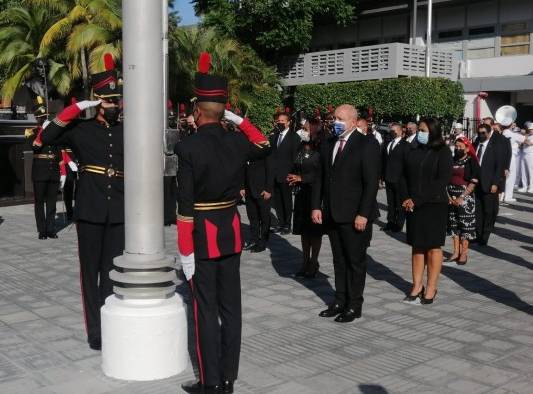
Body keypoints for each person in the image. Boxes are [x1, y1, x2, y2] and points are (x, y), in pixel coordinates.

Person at [176, 52, 271, 394]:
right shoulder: (236, 141)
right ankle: (229, 378)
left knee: (204, 312)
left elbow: (185, 207)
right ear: (222, 110)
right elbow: (264, 143)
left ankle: (210, 381)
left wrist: (185, 251)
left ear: (197, 111)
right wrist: (236, 118)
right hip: (230, 233)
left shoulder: (188, 147)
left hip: (202, 236)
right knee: (232, 309)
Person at [41, 54, 124, 351]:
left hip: (118, 212)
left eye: (116, 102)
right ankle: (96, 331)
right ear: (96, 102)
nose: (113, 107)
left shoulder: (127, 132)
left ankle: (112, 324)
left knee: (113, 273)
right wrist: (76, 109)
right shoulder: (81, 130)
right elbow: (44, 138)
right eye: (107, 102)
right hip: (89, 210)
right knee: (91, 273)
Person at [312, 104, 380, 322]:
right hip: (332, 212)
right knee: (338, 260)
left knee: (355, 261)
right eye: (334, 118)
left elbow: (371, 183)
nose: (335, 122)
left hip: (354, 215)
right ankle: (339, 300)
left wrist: (363, 213)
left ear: (353, 121)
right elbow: (321, 177)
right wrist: (316, 206)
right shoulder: (328, 143)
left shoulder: (366, 144)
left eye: (340, 118)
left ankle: (354, 304)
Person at [399, 118, 453, 305]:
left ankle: (431, 287)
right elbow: (404, 175)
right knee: (417, 246)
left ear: (433, 131)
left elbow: (442, 180)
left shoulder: (443, 151)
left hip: (433, 205)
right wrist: (406, 197)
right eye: (418, 129)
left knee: (433, 247)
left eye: (423, 130)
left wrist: (418, 199)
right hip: (413, 205)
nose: (419, 133)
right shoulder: (413, 149)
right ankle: (416, 285)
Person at [25, 99, 61, 239]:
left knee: (52, 202)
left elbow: (59, 149)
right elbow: (34, 146)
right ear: (36, 118)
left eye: (44, 117)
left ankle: (51, 229)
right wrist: (42, 133)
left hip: (53, 170)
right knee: (39, 202)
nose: (42, 119)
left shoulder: (54, 132)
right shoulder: (31, 132)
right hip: (40, 171)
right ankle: (42, 230)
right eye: (40, 117)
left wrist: (62, 170)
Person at [288, 136, 322, 278]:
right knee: (303, 230)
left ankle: (314, 262)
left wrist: (302, 178)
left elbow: (320, 175)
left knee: (314, 231)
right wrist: (293, 178)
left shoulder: (320, 153)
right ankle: (305, 261)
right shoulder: (299, 151)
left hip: (315, 195)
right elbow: (295, 168)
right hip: (301, 194)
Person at [445, 137, 480, 265]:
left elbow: (473, 182)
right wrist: (448, 196)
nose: (458, 148)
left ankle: (464, 253)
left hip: (465, 198)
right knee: (453, 224)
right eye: (456, 146)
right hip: (451, 197)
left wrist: (462, 197)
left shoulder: (471, 161)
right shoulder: (452, 160)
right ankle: (455, 251)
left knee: (465, 225)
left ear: (466, 148)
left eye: (460, 146)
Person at [267, 112, 301, 234]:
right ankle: (281, 223)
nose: (280, 123)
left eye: (282, 121)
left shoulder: (294, 137)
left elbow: (295, 158)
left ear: (288, 122)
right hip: (275, 174)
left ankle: (287, 224)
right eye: (278, 121)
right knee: (277, 201)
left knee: (286, 200)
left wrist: (293, 174)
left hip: (287, 175)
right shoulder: (275, 136)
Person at [473, 123, 505, 245]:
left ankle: (485, 236)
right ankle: (478, 234)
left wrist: (495, 183)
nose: (481, 135)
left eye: (483, 133)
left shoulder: (495, 146)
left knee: (488, 211)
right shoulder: (476, 144)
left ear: (489, 133)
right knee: (478, 211)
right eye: (479, 133)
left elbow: (499, 167)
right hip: (476, 183)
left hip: (489, 183)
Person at [382, 123, 409, 232]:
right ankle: (390, 221)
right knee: (391, 202)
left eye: (394, 130)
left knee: (399, 202)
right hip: (388, 178)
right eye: (391, 130)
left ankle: (399, 224)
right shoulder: (388, 143)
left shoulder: (405, 145)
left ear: (399, 131)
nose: (391, 132)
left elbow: (407, 163)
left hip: (400, 179)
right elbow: (384, 160)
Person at [243, 157, 271, 253]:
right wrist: (241, 186)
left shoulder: (264, 151)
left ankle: (263, 242)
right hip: (248, 190)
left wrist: (268, 189)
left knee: (264, 217)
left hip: (262, 190)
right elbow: (242, 169)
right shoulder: (246, 151)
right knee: (252, 217)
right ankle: (254, 240)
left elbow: (270, 170)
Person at [502, 123, 526, 202]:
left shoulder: (503, 132)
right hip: (511, 156)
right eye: (513, 125)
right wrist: (525, 132)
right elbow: (526, 140)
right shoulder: (511, 133)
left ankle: (502, 195)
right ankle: (508, 196)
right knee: (511, 176)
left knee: (504, 176)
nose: (514, 126)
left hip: (504, 155)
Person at [518, 122, 533, 192]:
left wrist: (524, 139)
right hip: (523, 153)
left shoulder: (528, 136)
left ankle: (531, 187)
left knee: (530, 171)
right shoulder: (527, 136)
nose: (530, 130)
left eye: (532, 129)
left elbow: (529, 143)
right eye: (529, 129)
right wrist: (524, 139)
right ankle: (524, 186)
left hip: (530, 154)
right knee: (523, 171)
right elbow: (521, 144)